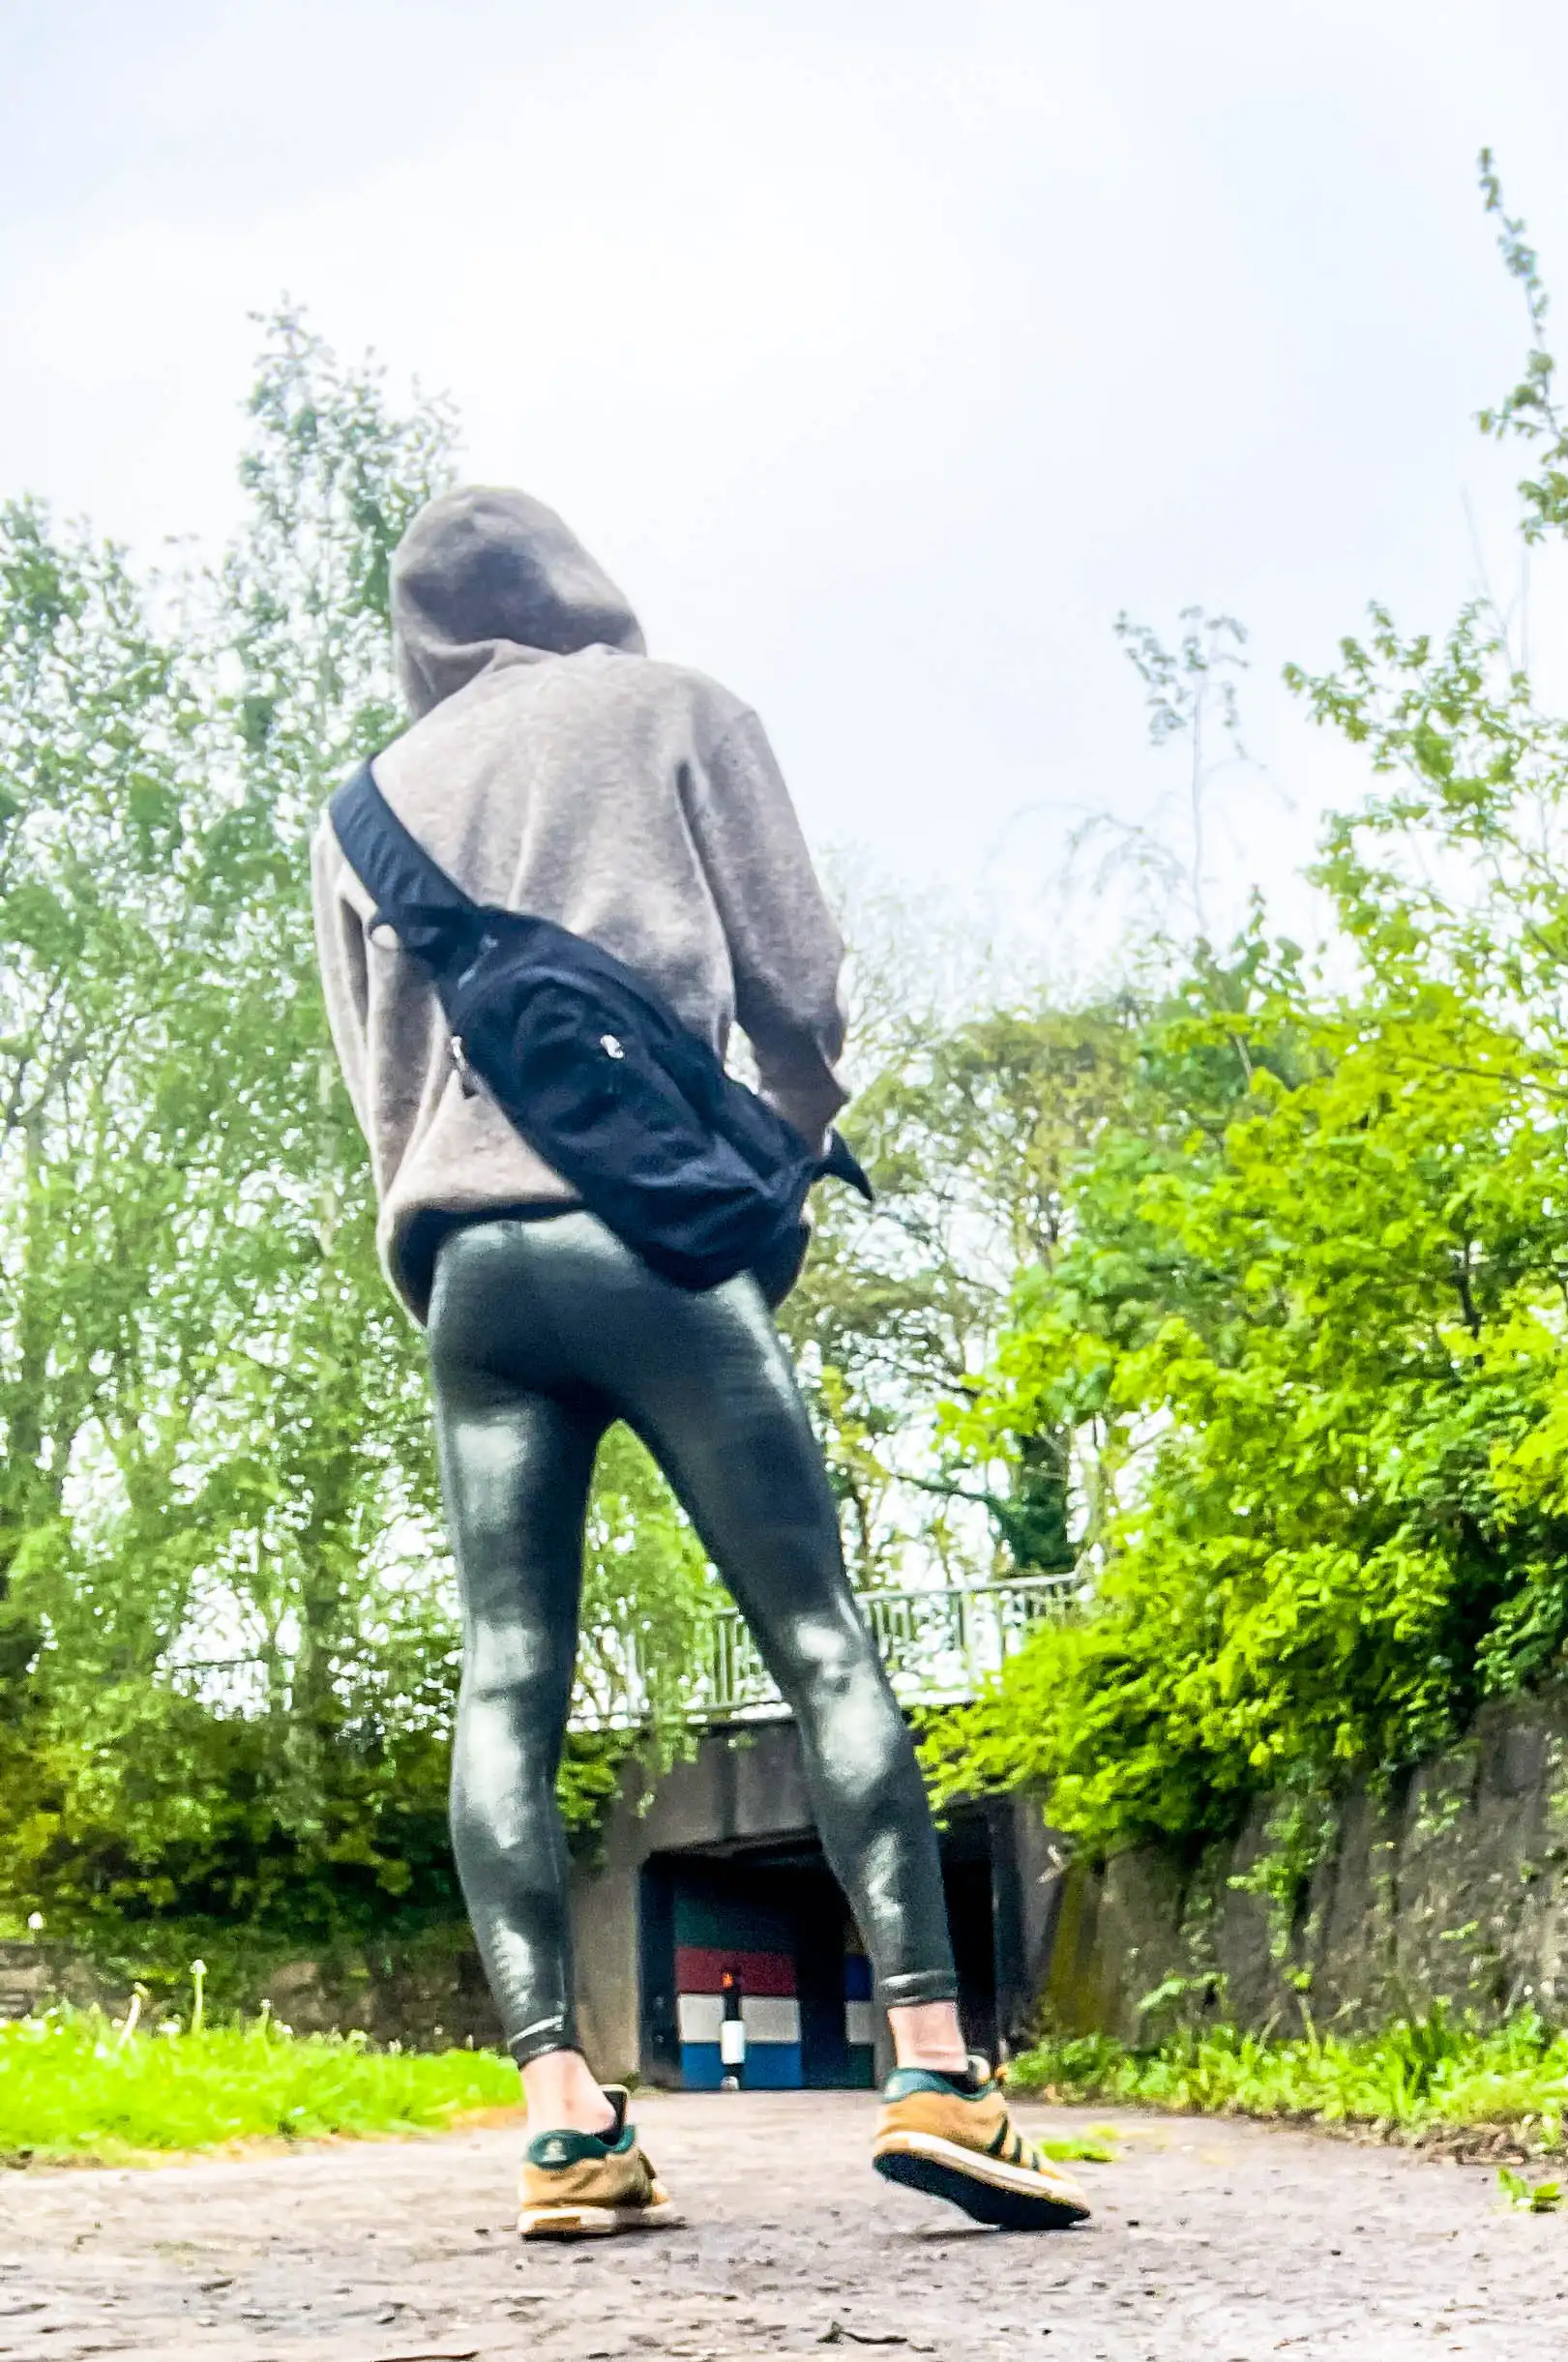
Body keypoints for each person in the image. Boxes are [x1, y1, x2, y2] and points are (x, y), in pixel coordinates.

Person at [311, 487, 1087, 2242]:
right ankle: (942, 2071)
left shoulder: (362, 808)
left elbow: (378, 1087)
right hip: (658, 1244)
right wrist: (764, 1169)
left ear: (418, 628)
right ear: (573, 579)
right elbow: (801, 995)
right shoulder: (680, 712)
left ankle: (563, 2117)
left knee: (508, 1674)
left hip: (471, 1274)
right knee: (818, 1636)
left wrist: (448, 1243)